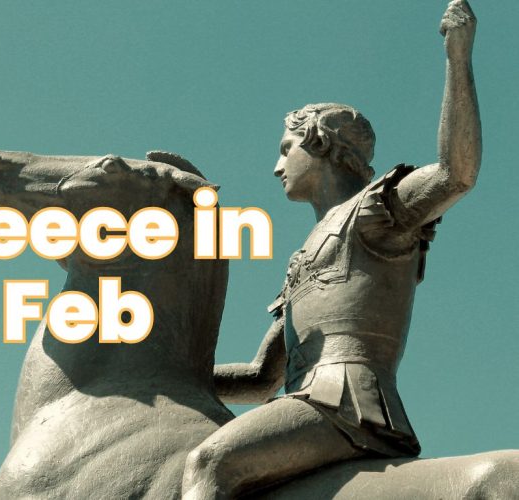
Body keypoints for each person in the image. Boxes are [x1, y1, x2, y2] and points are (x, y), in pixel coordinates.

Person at [181, 1, 481, 498]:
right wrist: (172, 379)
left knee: (210, 462)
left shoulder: (375, 211)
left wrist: (457, 57)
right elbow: (260, 381)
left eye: (285, 149)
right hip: (305, 404)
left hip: (347, 405)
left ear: (319, 144)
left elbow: (456, 174)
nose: (278, 167)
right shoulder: (302, 257)